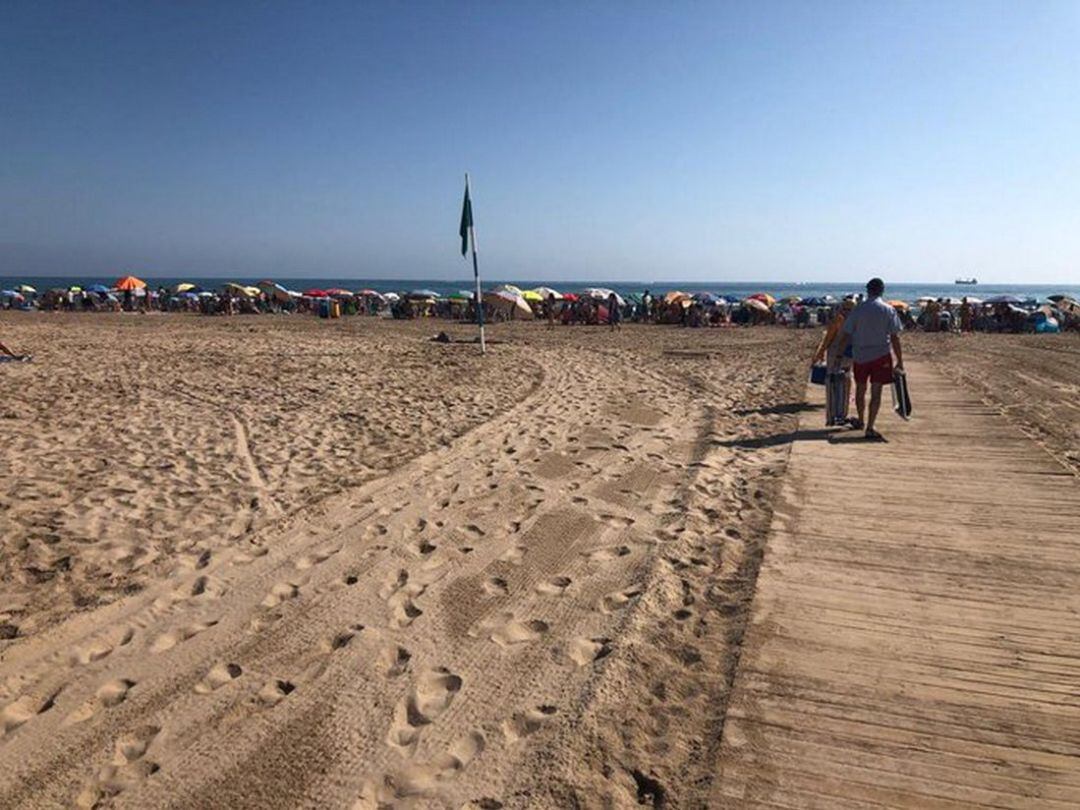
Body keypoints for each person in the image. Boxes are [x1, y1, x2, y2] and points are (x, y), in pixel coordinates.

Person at [831, 277, 903, 441]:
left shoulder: (858, 309)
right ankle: (870, 426)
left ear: (867, 290)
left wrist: (838, 356)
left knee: (861, 389)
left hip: (860, 355)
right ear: (882, 291)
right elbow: (895, 337)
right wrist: (900, 360)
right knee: (876, 392)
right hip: (881, 356)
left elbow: (846, 335)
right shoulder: (888, 309)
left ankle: (861, 420)